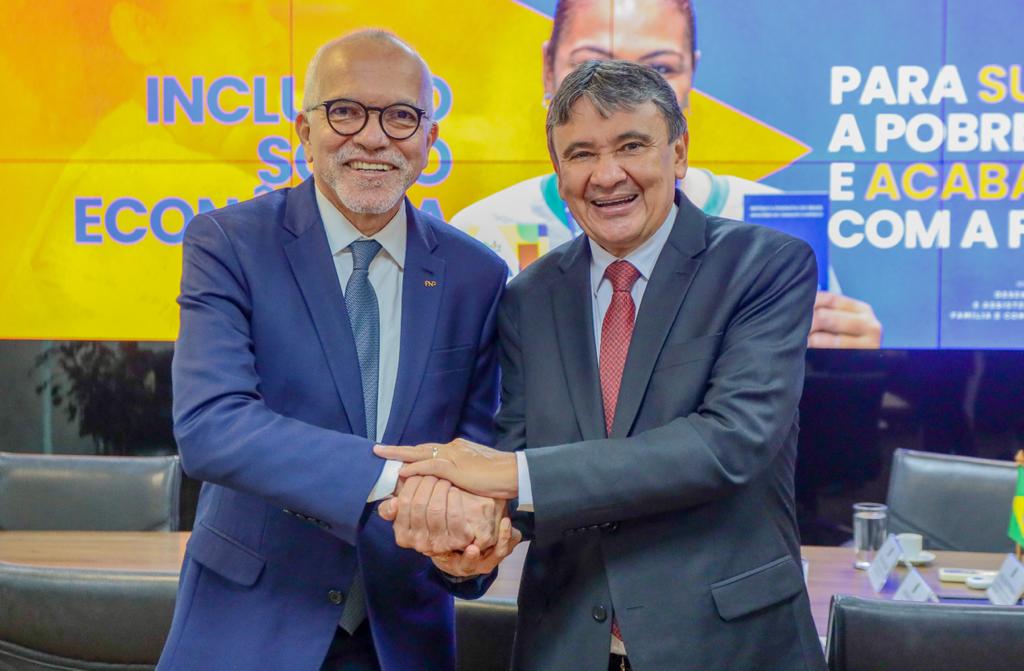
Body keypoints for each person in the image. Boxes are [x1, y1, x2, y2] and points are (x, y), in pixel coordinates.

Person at [377, 59, 827, 670]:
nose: (607, 175)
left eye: (631, 146)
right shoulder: (527, 297)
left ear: (679, 152)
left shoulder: (765, 266)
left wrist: (509, 475)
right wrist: (470, 543)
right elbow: (518, 462)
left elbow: (729, 443)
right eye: (581, 154)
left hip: (729, 646)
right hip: (568, 647)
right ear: (559, 173)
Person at [158, 30, 511, 671]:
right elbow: (212, 427)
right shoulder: (229, 243)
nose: (373, 138)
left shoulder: (476, 276)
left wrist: (470, 549)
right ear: (305, 129)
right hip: (249, 628)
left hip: (401, 636)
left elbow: (478, 457)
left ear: (430, 139)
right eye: (345, 111)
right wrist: (398, 479)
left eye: (400, 116)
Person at [450, 0, 882, 349]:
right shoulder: (480, 231)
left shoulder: (772, 235)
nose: (617, 93)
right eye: (591, 65)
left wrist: (850, 365)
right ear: (548, 68)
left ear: (693, 73)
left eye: (659, 69)